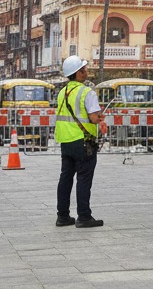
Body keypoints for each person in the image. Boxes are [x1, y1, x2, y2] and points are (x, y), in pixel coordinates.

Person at [55, 56, 105, 228]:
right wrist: (99, 118)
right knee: (84, 178)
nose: (86, 71)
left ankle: (62, 216)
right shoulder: (86, 92)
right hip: (83, 141)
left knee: (66, 178)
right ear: (78, 73)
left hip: (65, 141)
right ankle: (84, 216)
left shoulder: (62, 92)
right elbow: (92, 118)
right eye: (84, 68)